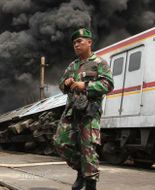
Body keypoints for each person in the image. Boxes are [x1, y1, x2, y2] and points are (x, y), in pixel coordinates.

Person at [53, 28, 114, 190]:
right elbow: (61, 84)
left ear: (89, 42)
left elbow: (108, 85)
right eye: (74, 42)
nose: (76, 45)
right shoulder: (72, 65)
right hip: (71, 111)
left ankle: (90, 183)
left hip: (89, 112)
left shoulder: (99, 63)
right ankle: (81, 170)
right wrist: (65, 83)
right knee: (60, 143)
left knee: (88, 148)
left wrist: (85, 85)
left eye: (80, 41)